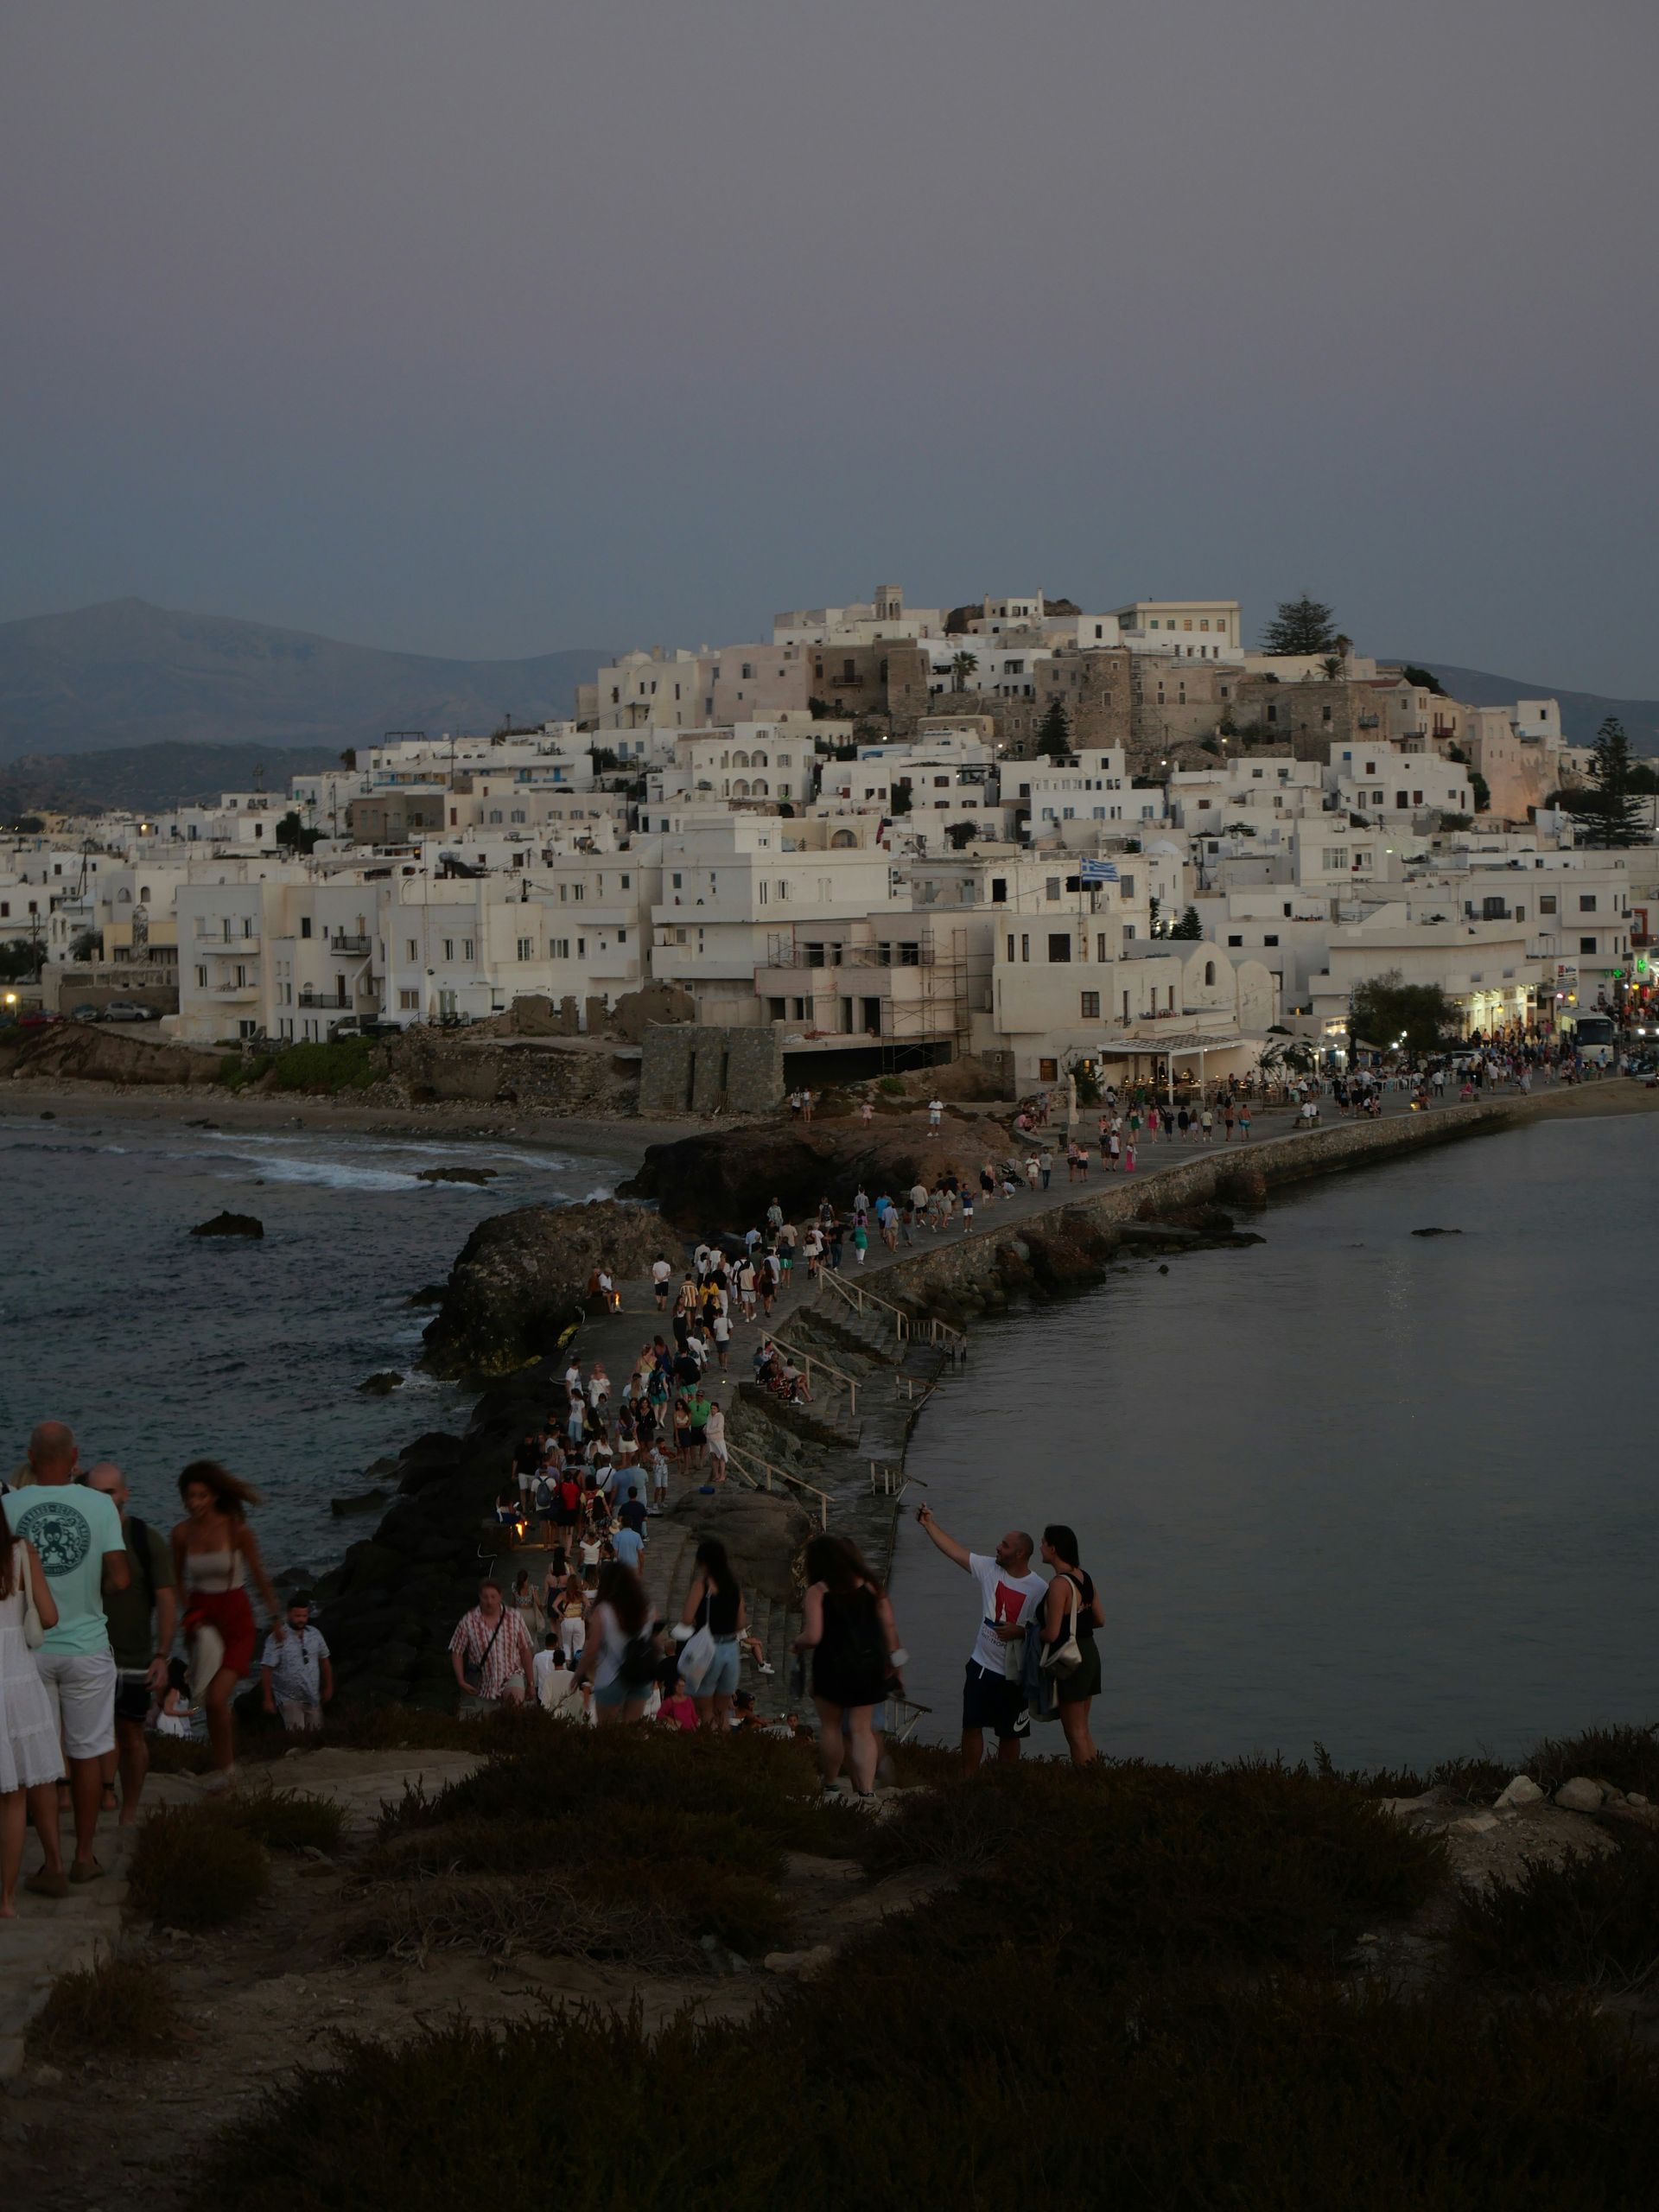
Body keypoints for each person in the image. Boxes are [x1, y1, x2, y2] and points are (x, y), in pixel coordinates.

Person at [5, 1421, 130, 1890]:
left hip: (29, 1651)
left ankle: (52, 1864)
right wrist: (84, 1591)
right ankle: (83, 1857)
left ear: (31, 1457)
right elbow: (120, 1579)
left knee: (40, 1758)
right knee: (86, 1753)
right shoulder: (100, 1505)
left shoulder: (7, 1506)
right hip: (86, 1647)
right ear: (74, 1457)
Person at [171, 1459, 283, 1786]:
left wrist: (275, 1618)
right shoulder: (180, 1533)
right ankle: (223, 1763)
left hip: (236, 1620)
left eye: (202, 1495)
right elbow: (176, 1580)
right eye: (190, 1496)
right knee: (209, 1699)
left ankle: (227, 1769)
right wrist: (187, 1612)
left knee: (218, 1698)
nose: (195, 1503)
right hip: (202, 1622)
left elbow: (260, 1577)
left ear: (216, 1496)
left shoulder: (237, 1530)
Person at [915, 1503, 1046, 1772]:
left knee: (1010, 1735)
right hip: (981, 1667)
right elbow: (955, 1552)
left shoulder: (1040, 1589)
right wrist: (929, 1525)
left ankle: (1004, 1783)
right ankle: (968, 1782)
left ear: (1020, 1553)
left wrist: (1021, 1631)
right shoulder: (989, 1569)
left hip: (1014, 1675)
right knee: (971, 1726)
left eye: (1005, 1545)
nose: (998, 1547)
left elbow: (1049, 1632)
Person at [84, 1459, 176, 1827]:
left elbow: (166, 1598)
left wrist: (163, 1655)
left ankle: (129, 1810)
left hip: (135, 1656)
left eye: (110, 1492)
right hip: (87, 1654)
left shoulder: (144, 1538)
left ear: (125, 1494)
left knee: (131, 1733)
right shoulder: (79, 1538)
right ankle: (95, 1802)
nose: (104, 1499)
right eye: (95, 1493)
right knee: (87, 1738)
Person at [791, 1535, 901, 1802]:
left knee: (830, 1728)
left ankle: (830, 1785)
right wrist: (897, 1666)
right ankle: (866, 1791)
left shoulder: (818, 1591)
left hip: (832, 1665)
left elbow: (814, 1636)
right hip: (868, 1666)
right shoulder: (872, 1587)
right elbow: (889, 1630)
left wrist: (797, 1643)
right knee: (862, 1729)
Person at [0, 1518, 60, 1916]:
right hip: (16, 1684)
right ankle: (5, 1899)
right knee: (14, 1797)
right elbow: (50, 1616)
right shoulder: (21, 1553)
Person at [1039, 1524, 1104, 1766]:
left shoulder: (1059, 1584)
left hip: (1070, 1658)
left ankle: (1085, 1785)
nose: (1040, 1547)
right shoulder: (1084, 1577)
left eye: (1043, 1542)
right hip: (1089, 1652)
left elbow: (1052, 1633)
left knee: (1073, 1731)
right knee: (1083, 1728)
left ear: (1053, 1549)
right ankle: (1096, 1776)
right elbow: (1100, 1619)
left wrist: (1033, 1633)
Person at [678, 1537, 747, 1733]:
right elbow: (741, 1623)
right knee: (722, 1712)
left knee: (704, 1710)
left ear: (704, 1561)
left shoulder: (702, 1585)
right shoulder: (734, 1586)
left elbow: (686, 1617)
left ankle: (709, 1752)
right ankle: (724, 1752)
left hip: (708, 1650)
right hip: (731, 1650)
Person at [575, 1561, 656, 1726]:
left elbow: (592, 1648)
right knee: (632, 1729)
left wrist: (578, 1674)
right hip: (639, 1675)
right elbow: (655, 1641)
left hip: (611, 1676)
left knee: (606, 1733)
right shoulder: (647, 1607)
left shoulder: (604, 1610)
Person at [449, 1579, 535, 1713]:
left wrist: (530, 1683)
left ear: (500, 1597)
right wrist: (461, 1680)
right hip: (483, 1681)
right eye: (485, 1597)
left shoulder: (514, 1617)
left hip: (511, 1674)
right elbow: (456, 1650)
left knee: (514, 1710)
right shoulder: (469, 1621)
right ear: (480, 1597)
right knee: (486, 1724)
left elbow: (525, 1650)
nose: (489, 1601)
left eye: (493, 1597)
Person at [259, 1592, 333, 1732]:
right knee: (297, 1737)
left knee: (316, 1737)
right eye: (297, 1616)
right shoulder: (277, 1637)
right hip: (289, 1698)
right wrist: (268, 1698)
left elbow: (324, 1661)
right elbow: (267, 1669)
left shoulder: (315, 1634)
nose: (301, 1620)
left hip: (312, 1697)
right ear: (288, 1614)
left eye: (304, 1616)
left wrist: (328, 1686)